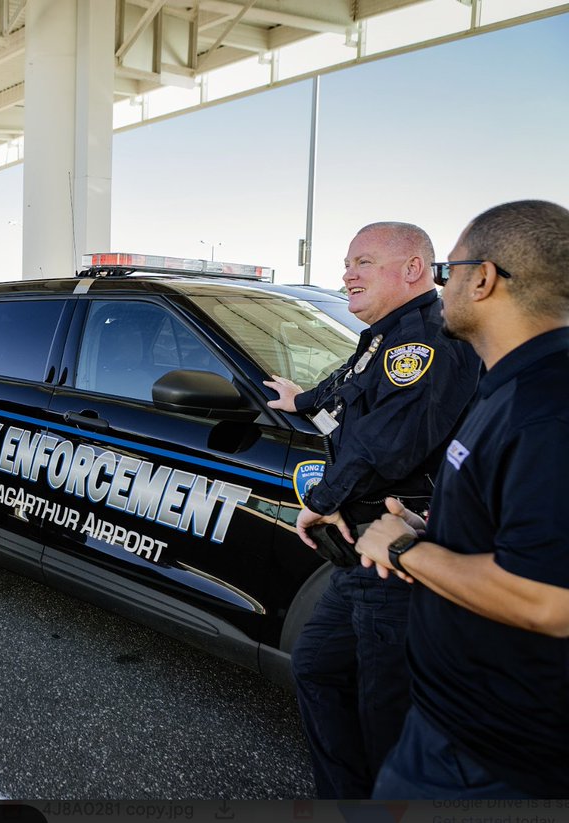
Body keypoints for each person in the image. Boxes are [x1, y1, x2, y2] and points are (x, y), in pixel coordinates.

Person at [356, 200, 569, 799]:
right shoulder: (511, 382)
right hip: (461, 732)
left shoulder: (544, 408)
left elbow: (549, 598)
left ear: (484, 278)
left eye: (449, 273)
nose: (440, 289)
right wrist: (437, 529)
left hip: (488, 757)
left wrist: (404, 552)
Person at [262, 222, 479, 798]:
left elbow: (388, 443)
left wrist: (321, 501)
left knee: (388, 711)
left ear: (412, 270)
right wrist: (300, 400)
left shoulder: (425, 341)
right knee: (318, 667)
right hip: (365, 551)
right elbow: (350, 383)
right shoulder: (386, 336)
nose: (346, 274)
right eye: (347, 263)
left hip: (400, 551)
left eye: (362, 262)